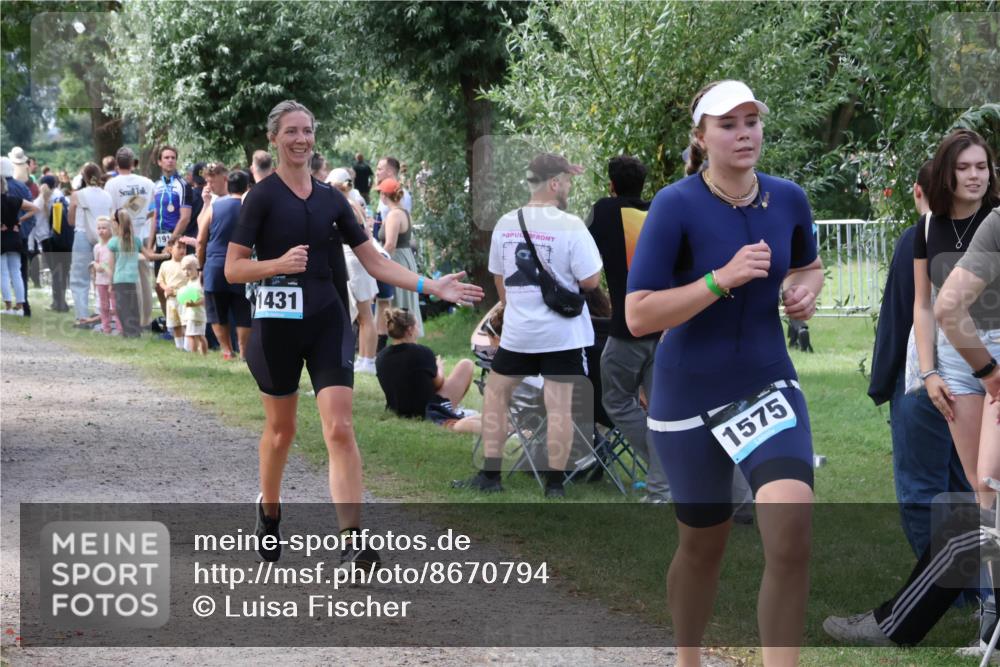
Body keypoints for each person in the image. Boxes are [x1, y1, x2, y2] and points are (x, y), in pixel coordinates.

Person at [224, 100, 482, 566]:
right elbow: (233, 268)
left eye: (307, 130)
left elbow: (376, 261)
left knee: (340, 427)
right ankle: (269, 508)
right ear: (274, 139)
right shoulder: (260, 197)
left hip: (327, 323)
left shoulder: (332, 199)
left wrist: (430, 285)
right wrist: (278, 265)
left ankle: (352, 538)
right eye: (291, 132)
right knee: (281, 431)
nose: (301, 139)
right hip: (276, 328)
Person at [625, 81, 823, 666]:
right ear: (701, 137)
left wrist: (802, 291)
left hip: (765, 383)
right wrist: (720, 279)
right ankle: (688, 656)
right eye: (728, 124)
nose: (744, 134)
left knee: (791, 533)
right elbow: (638, 315)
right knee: (702, 546)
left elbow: (810, 266)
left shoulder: (788, 198)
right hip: (688, 393)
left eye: (751, 121)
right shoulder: (675, 204)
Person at [453, 151, 603, 499]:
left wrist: (519, 306)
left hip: (519, 334)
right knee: (559, 405)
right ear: (554, 183)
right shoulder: (571, 225)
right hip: (563, 334)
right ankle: (554, 485)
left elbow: (500, 281)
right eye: (566, 181)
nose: (567, 187)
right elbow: (591, 281)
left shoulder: (507, 222)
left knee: (495, 395)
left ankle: (491, 475)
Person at [868, 159, 970, 556]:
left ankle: (942, 589)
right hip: (975, 379)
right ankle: (976, 586)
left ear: (917, 192)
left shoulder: (917, 241)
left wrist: (882, 381)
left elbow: (899, 317)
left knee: (922, 490)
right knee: (964, 484)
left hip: (925, 379)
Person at [912, 130, 1000, 509]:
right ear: (947, 173)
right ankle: (989, 568)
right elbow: (925, 304)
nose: (975, 175)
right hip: (954, 357)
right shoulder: (929, 225)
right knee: (977, 486)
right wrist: (929, 373)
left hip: (996, 345)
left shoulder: (996, 220)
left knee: (990, 478)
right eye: (964, 168)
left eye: (982, 166)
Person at [586, 155, 672, 503]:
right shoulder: (658, 212)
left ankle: (665, 477)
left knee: (616, 399)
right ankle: (664, 486)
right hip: (665, 324)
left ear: (611, 184)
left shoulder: (605, 211)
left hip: (628, 325)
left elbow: (582, 253)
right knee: (663, 412)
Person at [376, 308, 480, 433]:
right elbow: (438, 383)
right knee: (466, 364)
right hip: (426, 409)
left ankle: (452, 409)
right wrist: (439, 367)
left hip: (398, 408)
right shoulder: (421, 352)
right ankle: (449, 410)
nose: (418, 331)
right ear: (410, 330)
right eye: (417, 327)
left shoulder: (381, 356)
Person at [198, 169, 252, 361]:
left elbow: (201, 240)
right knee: (243, 309)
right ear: (247, 187)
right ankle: (244, 351)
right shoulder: (250, 209)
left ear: (228, 184)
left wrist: (200, 266)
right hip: (242, 265)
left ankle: (227, 351)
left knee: (216, 311)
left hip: (215, 264)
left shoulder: (215, 207)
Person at [328, 168, 378, 373]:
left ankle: (368, 359)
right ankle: (364, 357)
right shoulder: (352, 203)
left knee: (364, 312)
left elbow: (362, 235)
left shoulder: (346, 204)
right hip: (354, 260)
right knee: (361, 314)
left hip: (354, 259)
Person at [105, 147, 156, 328]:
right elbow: (153, 211)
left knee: (127, 280)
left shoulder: (112, 184)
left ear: (117, 163)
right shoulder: (148, 183)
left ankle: (131, 320)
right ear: (133, 162)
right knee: (144, 280)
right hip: (141, 234)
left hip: (123, 237)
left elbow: (111, 213)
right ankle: (146, 319)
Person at [376, 177, 423, 338]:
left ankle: (404, 335)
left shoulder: (394, 215)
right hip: (405, 257)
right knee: (403, 300)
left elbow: (390, 244)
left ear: (384, 195)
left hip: (397, 260)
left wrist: (378, 262)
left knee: (400, 302)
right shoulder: (403, 212)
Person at [150, 146, 193, 318]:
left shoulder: (182, 185)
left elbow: (185, 218)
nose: (170, 160)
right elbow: (154, 216)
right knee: (160, 284)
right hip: (160, 239)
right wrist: (149, 245)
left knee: (179, 282)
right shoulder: (157, 186)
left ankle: (184, 322)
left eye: (173, 157)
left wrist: (172, 242)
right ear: (159, 161)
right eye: (166, 157)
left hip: (176, 240)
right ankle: (170, 322)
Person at [69, 163, 113, 327]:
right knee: (103, 275)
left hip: (82, 234)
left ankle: (82, 315)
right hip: (103, 237)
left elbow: (71, 220)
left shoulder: (77, 195)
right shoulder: (107, 195)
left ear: (84, 177)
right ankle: (102, 312)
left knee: (80, 276)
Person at [108, 209, 157, 338]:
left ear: (116, 224)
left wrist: (109, 282)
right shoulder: (136, 241)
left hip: (119, 279)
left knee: (122, 308)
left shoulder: (113, 242)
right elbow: (149, 256)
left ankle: (129, 333)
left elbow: (111, 265)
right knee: (133, 306)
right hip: (133, 279)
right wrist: (167, 254)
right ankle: (135, 331)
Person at [1, 173, 40, 315]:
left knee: (3, 274)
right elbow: (35, 209)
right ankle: (21, 306)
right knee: (16, 273)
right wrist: (20, 220)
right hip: (15, 237)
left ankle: (8, 307)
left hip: (2, 239)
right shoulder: (14, 200)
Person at [156, 239, 189, 349]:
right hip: (171, 299)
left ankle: (188, 346)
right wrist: (166, 288)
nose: (182, 250)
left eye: (184, 248)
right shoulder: (165, 264)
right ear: (170, 249)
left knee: (186, 322)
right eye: (179, 247)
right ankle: (179, 346)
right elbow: (160, 280)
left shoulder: (188, 263)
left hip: (185, 297)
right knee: (175, 324)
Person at [91, 217, 121, 334]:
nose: (101, 231)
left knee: (115, 306)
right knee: (104, 306)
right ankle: (106, 327)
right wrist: (95, 266)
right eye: (99, 228)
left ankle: (119, 328)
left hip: (113, 280)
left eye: (104, 228)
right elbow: (97, 263)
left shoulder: (114, 245)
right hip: (100, 281)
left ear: (110, 230)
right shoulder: (97, 247)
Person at [179, 255, 208, 355]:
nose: (186, 272)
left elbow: (204, 299)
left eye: (189, 269)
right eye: (184, 269)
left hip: (197, 315)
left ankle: (196, 354)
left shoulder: (199, 282)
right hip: (192, 315)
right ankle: (199, 354)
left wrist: (193, 304)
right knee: (196, 335)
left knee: (195, 335)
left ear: (197, 268)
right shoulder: (189, 282)